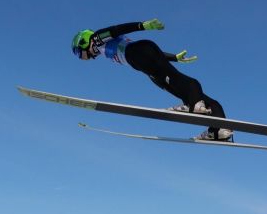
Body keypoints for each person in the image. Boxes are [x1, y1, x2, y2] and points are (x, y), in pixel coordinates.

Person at [71, 19, 233, 141]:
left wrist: (142, 26)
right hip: (144, 53)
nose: (85, 58)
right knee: (175, 85)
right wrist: (174, 58)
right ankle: (220, 130)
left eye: (80, 53)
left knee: (176, 80)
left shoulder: (96, 39)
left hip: (138, 53)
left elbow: (116, 30)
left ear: (83, 41)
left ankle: (194, 104)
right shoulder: (101, 46)